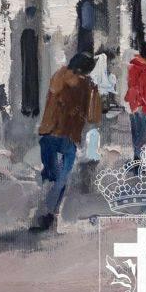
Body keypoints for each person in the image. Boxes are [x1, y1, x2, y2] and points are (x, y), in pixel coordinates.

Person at [32, 52, 102, 231]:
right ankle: (49, 212)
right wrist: (94, 93)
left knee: (52, 176)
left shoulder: (58, 76)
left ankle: (47, 213)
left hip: (49, 135)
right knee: (61, 178)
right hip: (69, 137)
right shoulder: (86, 85)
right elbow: (94, 117)